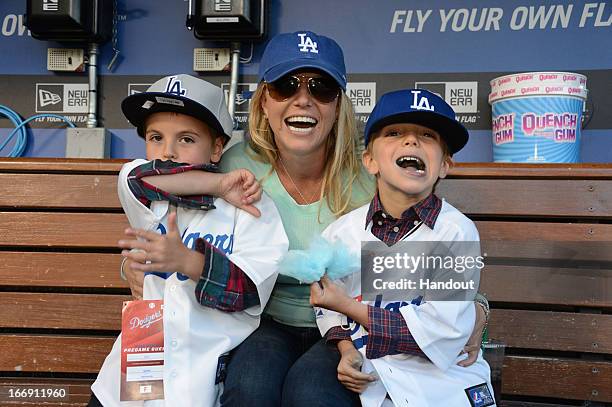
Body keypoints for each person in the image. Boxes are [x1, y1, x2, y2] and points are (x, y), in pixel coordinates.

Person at [122, 32, 488, 407]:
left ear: (338, 105)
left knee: (312, 393)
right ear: (264, 100)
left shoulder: (373, 175)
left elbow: (414, 260)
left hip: (348, 325)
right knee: (250, 388)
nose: (303, 99)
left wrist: (476, 309)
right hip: (263, 320)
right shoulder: (232, 168)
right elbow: (167, 218)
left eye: (322, 87)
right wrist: (138, 267)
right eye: (285, 85)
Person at [89, 74, 289, 406]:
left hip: (204, 367)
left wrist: (188, 262)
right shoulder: (145, 192)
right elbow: (141, 177)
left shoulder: (252, 205)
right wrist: (219, 184)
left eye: (185, 139)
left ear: (216, 147)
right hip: (140, 357)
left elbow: (249, 292)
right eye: (156, 137)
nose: (167, 151)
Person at [311, 88, 495, 406]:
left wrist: (350, 307)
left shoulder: (456, 232)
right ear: (370, 160)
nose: (411, 141)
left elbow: (439, 334)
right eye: (394, 133)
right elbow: (327, 307)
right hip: (374, 376)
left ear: (443, 166)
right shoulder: (342, 231)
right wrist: (346, 349)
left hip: (444, 382)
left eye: (427, 135)